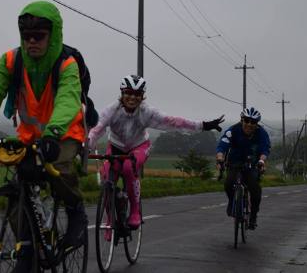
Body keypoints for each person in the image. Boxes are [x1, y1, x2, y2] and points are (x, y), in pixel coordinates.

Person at [0, 0, 88, 272]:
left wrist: (53, 133)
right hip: (29, 137)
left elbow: (67, 100)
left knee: (60, 168)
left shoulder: (67, 64)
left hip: (63, 133)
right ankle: (27, 248)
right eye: (26, 36)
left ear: (53, 36)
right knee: (20, 190)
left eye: (39, 36)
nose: (31, 42)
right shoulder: (11, 60)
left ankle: (76, 210)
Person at [88, 74, 224, 232]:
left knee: (127, 168)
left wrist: (202, 125)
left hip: (139, 146)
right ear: (122, 93)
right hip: (116, 146)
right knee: (106, 176)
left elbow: (173, 122)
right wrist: (86, 146)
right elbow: (96, 130)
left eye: (137, 94)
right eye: (128, 93)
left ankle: (135, 211)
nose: (132, 97)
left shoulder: (147, 112)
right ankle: (111, 220)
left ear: (142, 96)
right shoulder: (112, 110)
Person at [216, 107, 270, 230]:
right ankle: (232, 202)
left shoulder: (262, 133)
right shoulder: (233, 130)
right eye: (246, 120)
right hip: (234, 162)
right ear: (242, 120)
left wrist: (261, 161)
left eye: (253, 122)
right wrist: (220, 159)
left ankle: (253, 216)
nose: (249, 124)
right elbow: (222, 146)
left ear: (257, 124)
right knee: (229, 184)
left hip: (252, 163)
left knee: (255, 189)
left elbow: (264, 149)